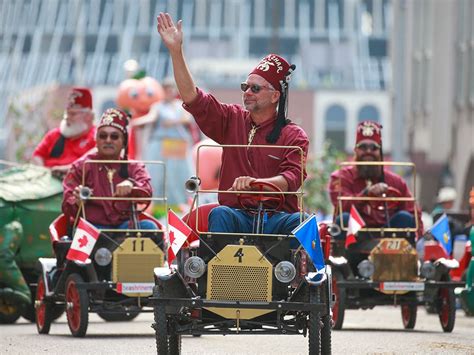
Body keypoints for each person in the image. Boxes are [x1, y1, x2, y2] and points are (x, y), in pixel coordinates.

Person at [156, 13, 308, 235]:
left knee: (302, 221)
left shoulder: (294, 135)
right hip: (236, 214)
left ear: (276, 96)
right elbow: (192, 98)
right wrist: (176, 51)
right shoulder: (231, 118)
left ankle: (289, 271)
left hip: (277, 218)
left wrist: (257, 183)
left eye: (255, 88)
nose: (247, 92)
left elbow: (291, 179)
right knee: (220, 213)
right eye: (245, 86)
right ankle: (221, 270)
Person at [329, 120, 423, 243]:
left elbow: (414, 212)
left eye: (373, 147)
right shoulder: (341, 177)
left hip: (388, 238)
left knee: (405, 218)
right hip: (356, 237)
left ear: (380, 152)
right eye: (363, 147)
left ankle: (404, 259)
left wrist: (420, 240)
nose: (368, 151)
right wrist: (367, 194)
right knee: (344, 218)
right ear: (355, 151)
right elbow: (341, 207)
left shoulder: (396, 181)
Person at [62, 108, 155, 230]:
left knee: (149, 227)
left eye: (114, 136)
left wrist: (131, 184)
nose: (108, 140)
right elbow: (67, 206)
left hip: (125, 227)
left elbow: (147, 191)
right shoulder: (82, 166)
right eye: (103, 136)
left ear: (124, 142)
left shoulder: (134, 167)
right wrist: (77, 201)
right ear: (96, 140)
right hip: (91, 227)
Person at [131, 77, 194, 206]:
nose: (168, 92)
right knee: (159, 173)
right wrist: (134, 122)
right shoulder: (157, 106)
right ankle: (157, 202)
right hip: (161, 144)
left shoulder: (180, 106)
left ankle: (180, 202)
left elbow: (188, 119)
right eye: (166, 90)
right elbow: (151, 117)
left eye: (170, 90)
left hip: (177, 144)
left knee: (176, 174)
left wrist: (172, 122)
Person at [31, 87, 96, 177]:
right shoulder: (54, 135)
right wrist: (43, 172)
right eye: (67, 113)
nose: (67, 117)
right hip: (47, 180)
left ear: (89, 116)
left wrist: (68, 169)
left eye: (73, 114)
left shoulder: (97, 137)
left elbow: (95, 162)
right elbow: (37, 155)